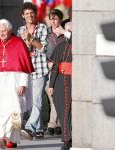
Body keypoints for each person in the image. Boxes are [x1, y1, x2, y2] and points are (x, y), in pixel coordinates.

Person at [0, 19, 34, 149]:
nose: (1, 34)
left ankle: (13, 138)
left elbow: (24, 67)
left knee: (16, 112)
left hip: (15, 82)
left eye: (3, 31)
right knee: (1, 111)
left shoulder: (19, 43)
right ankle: (3, 137)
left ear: (10, 30)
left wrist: (23, 84)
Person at [17, 2, 48, 140]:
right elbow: (19, 51)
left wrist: (31, 40)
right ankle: (39, 129)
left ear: (35, 14)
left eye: (32, 13)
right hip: (25, 70)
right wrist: (24, 42)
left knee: (37, 99)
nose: (30, 16)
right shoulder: (20, 30)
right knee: (30, 101)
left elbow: (44, 48)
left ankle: (29, 128)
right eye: (27, 14)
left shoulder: (42, 28)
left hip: (39, 69)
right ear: (23, 16)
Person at [48, 22, 72, 150]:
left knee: (70, 111)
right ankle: (66, 138)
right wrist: (51, 85)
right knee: (62, 110)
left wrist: (64, 31)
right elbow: (55, 67)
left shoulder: (77, 44)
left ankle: (69, 140)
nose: (67, 32)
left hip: (73, 80)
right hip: (59, 82)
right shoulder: (60, 46)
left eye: (69, 31)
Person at [45, 9, 66, 136]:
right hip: (49, 68)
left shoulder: (65, 33)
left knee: (58, 95)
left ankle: (53, 124)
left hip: (61, 68)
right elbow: (42, 49)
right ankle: (55, 123)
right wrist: (47, 61)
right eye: (51, 18)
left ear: (60, 20)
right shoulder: (46, 33)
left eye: (56, 18)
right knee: (51, 94)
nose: (53, 21)